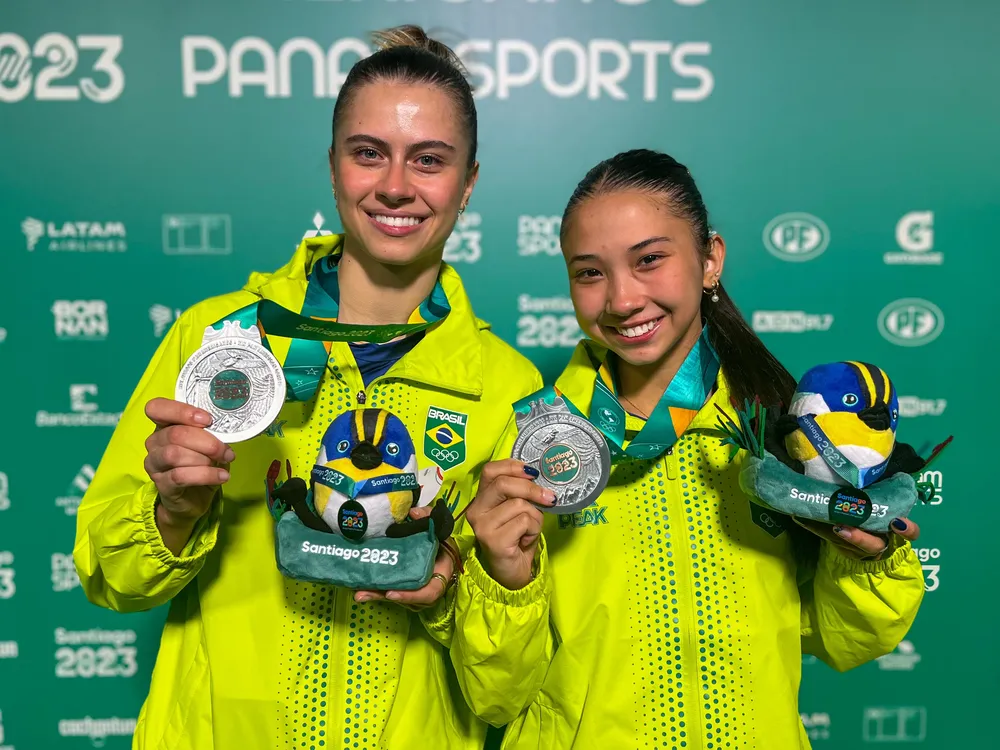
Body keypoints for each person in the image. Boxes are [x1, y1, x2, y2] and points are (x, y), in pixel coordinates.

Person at [73, 25, 542, 750]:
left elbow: (506, 692)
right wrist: (171, 512)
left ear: (470, 181)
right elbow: (112, 579)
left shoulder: (507, 387)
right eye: (367, 154)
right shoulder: (224, 337)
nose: (395, 186)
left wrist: (457, 590)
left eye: (429, 160)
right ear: (332, 167)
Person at [447, 149, 927, 748]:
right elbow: (496, 699)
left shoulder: (783, 433)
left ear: (709, 259)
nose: (621, 299)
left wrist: (865, 560)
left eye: (649, 260)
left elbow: (849, 640)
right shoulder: (533, 447)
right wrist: (506, 582)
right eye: (589, 272)